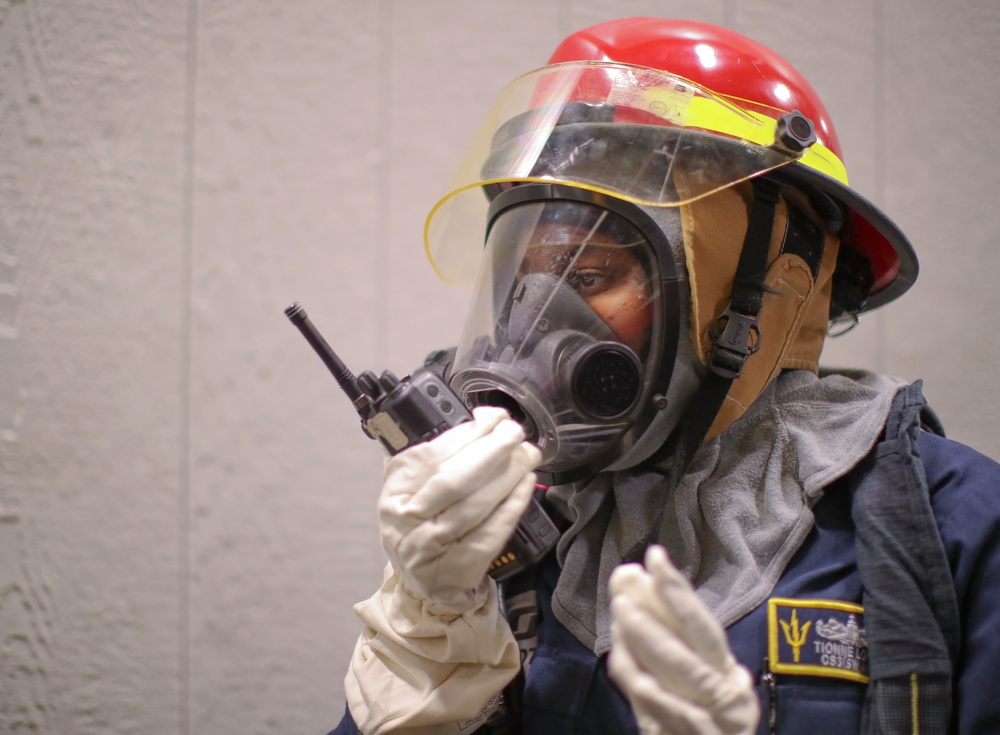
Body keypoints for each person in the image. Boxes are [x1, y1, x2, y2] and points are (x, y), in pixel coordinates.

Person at [327, 17, 1000, 734]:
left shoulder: (950, 528)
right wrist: (423, 641)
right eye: (524, 279)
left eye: (589, 273)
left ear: (781, 293)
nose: (536, 324)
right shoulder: (494, 526)